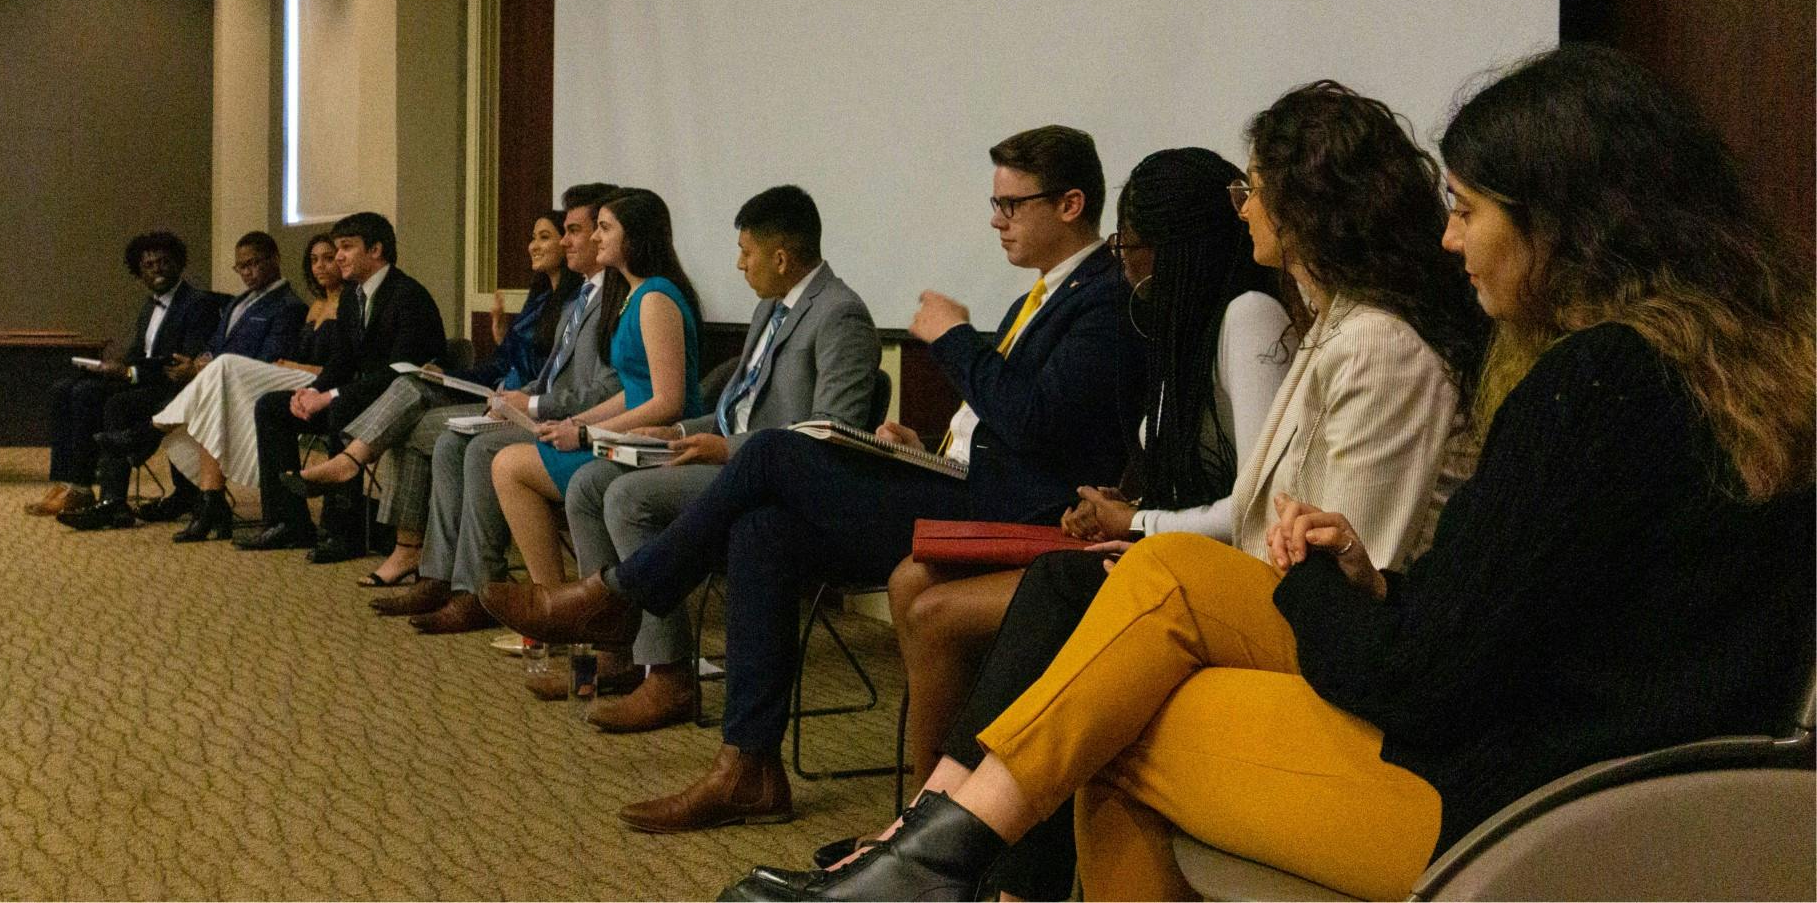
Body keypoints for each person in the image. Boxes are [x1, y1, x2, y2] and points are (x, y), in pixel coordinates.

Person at [719, 46, 1815, 902]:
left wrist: (1313, 587)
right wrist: (1369, 583)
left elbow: (1426, 682)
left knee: (1116, 719)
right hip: (1677, 798)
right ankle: (929, 858)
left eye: (1470, 212)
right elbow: (1538, 608)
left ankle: (929, 856)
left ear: (1567, 229)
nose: (1450, 243)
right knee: (1149, 602)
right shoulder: (1734, 373)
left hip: (1526, 805)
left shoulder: (1597, 384)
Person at [823, 90, 1491, 896]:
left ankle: (936, 853)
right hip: (1280, 608)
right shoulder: (1331, 324)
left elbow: (1351, 564)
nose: (1242, 209)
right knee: (1073, 601)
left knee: (1096, 645)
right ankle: (942, 853)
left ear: (1313, 203)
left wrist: (1149, 539)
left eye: (1253, 187)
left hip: (1345, 650)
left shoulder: (1367, 339)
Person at [485, 125, 1144, 833]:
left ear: (1071, 204)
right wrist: (917, 440)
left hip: (1020, 515)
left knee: (770, 454)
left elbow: (1044, 429)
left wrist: (955, 339)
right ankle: (749, 769)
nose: (995, 220)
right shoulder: (1041, 298)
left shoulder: (1105, 301)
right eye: (995, 203)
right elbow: (1010, 421)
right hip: (968, 481)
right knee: (763, 529)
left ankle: (621, 596)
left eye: (1011, 205)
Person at [879, 148, 1292, 847]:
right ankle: (932, 824)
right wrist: (1119, 505)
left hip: (1205, 572)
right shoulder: (1184, 323)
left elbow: (1257, 507)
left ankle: (935, 832)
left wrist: (1136, 518)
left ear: (1171, 246)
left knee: (943, 610)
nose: (1121, 263)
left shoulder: (1247, 315)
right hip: (1156, 546)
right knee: (915, 580)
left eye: (1129, 247)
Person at [553, 185, 881, 730]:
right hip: (730, 459)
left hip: (778, 481)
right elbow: (738, 412)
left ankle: (669, 677)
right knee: (590, 483)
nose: (738, 265)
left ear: (780, 257)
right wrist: (678, 429)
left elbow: (830, 433)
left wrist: (725, 449)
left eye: (746, 253)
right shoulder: (770, 308)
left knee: (628, 497)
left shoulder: (840, 315)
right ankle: (615, 649)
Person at [370, 184, 624, 633]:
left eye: (577, 231)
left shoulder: (616, 301)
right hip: (546, 411)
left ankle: (478, 591)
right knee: (453, 442)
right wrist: (511, 400)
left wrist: (532, 402)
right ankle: (441, 576)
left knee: (480, 450)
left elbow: (608, 389)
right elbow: (549, 374)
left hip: (582, 426)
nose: (566, 242)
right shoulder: (581, 297)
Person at [284, 210, 580, 586]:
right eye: (535, 237)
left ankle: (358, 473)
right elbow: (498, 367)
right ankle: (408, 548)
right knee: (412, 394)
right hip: (496, 396)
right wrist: (451, 375)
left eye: (546, 237)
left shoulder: (575, 305)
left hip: (529, 409)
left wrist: (511, 373)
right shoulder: (539, 303)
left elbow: (552, 375)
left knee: (408, 403)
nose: (533, 246)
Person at [491, 187, 707, 605]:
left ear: (635, 238)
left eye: (604, 228)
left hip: (656, 441)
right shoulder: (633, 295)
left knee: (509, 464)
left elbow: (667, 402)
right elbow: (631, 389)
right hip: (628, 434)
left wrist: (589, 435)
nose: (594, 238)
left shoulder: (656, 297)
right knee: (509, 463)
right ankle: (560, 603)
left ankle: (561, 603)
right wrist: (578, 423)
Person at [243, 211, 447, 560]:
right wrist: (312, 391)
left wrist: (331, 396)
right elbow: (343, 359)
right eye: (336, 248)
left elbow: (401, 373)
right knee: (272, 407)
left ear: (377, 250)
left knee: (341, 407)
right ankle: (288, 521)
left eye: (346, 248)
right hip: (362, 396)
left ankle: (343, 531)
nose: (338, 257)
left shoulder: (409, 296)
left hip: (400, 403)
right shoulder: (353, 297)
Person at [152, 234, 344, 541]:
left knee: (224, 369)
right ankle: (211, 499)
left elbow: (343, 366)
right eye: (314, 259)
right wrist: (203, 361)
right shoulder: (316, 306)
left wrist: (296, 368)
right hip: (285, 379)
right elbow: (218, 344)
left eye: (329, 257)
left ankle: (155, 428)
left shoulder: (313, 306)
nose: (321, 265)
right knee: (216, 392)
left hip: (320, 384)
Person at [26, 230, 218, 522]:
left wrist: (130, 372)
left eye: (164, 262)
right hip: (145, 380)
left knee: (91, 396)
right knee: (64, 389)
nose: (157, 270)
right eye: (149, 266)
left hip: (172, 388)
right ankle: (69, 483)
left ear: (179, 263)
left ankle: (103, 497)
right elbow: (140, 351)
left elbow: (182, 362)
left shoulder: (196, 303)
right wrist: (115, 366)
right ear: (138, 271)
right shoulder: (149, 305)